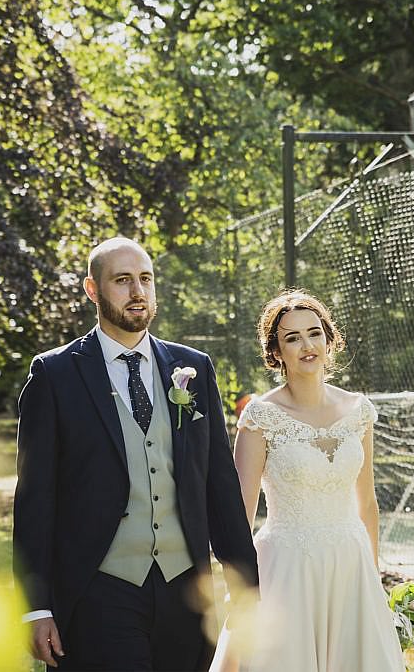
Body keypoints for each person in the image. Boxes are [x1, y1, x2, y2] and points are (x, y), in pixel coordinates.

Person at [13, 237, 259, 671]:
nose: (137, 292)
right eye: (122, 280)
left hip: (185, 589)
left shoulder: (193, 368)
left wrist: (246, 588)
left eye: (145, 279)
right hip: (100, 588)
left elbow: (219, 485)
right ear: (93, 290)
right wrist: (36, 607)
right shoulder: (54, 374)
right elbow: (35, 499)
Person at [211, 290, 404, 672]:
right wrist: (240, 589)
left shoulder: (358, 411)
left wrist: (374, 576)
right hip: (286, 568)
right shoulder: (260, 418)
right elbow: (239, 515)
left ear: (329, 340)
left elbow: (366, 503)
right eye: (292, 338)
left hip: (351, 566)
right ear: (276, 352)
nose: (306, 345)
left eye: (314, 333)